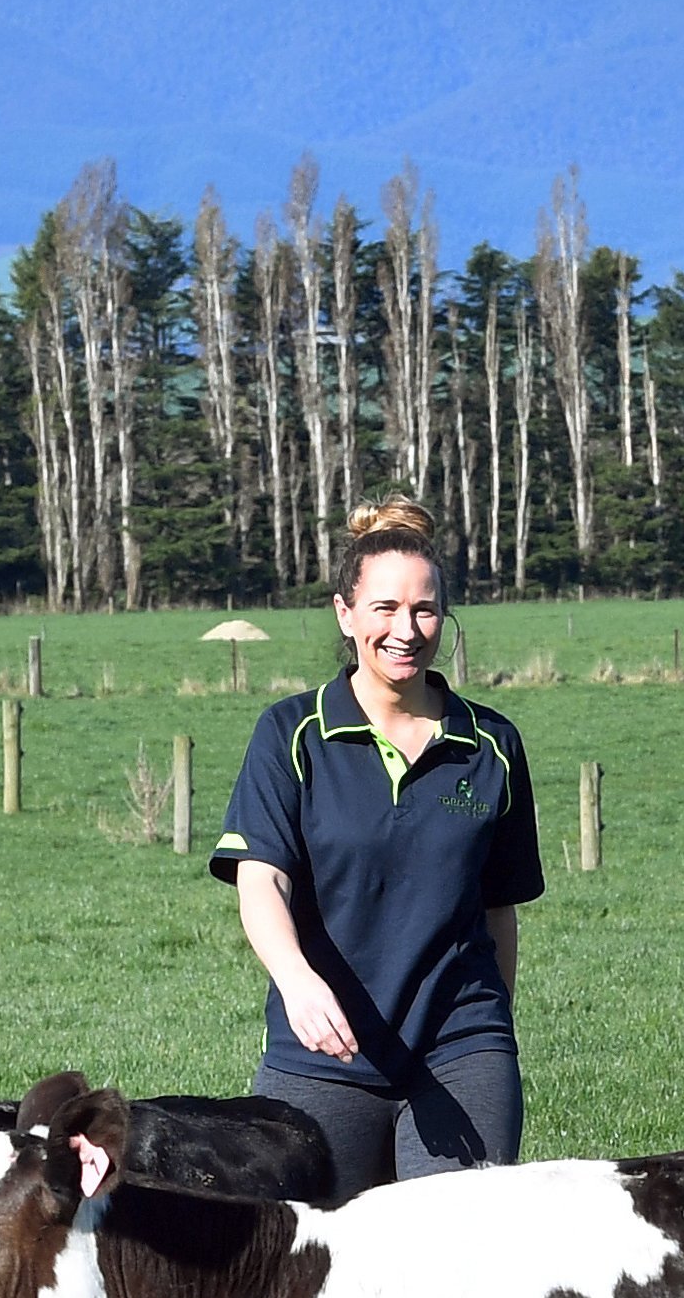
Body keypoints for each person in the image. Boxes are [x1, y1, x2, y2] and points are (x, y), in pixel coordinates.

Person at [212, 500, 546, 1201]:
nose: (405, 631)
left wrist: (489, 1036)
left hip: (459, 1053)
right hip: (321, 1057)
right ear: (345, 613)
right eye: (384, 608)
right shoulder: (291, 734)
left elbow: (498, 910)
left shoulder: (490, 745)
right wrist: (297, 982)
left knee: (455, 1271)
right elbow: (261, 879)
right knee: (302, 1270)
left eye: (424, 611)